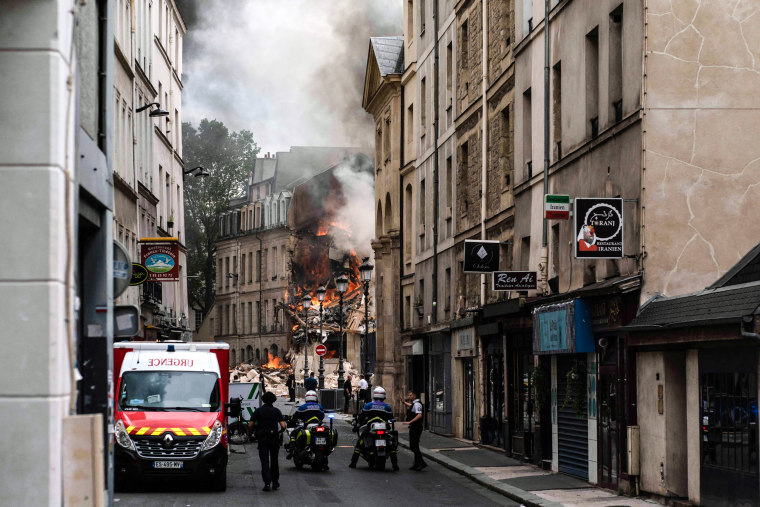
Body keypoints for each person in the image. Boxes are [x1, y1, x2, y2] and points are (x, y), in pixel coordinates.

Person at [349, 386, 398, 471]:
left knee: (360, 443)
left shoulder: (369, 405)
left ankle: (353, 462)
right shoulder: (387, 407)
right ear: (384, 396)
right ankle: (395, 465)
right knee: (391, 445)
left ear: (374, 395)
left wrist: (357, 425)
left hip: (371, 428)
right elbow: (391, 418)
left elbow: (361, 417)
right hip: (384, 428)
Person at [251, 391, 286, 491]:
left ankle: (267, 483)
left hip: (262, 439)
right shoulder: (276, 411)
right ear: (273, 400)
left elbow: (250, 424)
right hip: (274, 438)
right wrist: (280, 431)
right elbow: (283, 425)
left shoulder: (258, 411)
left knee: (264, 461)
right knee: (274, 460)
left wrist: (251, 434)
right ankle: (275, 482)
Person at [286, 390, 328, 466]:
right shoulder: (320, 407)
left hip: (308, 426)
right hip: (318, 426)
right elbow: (322, 416)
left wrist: (291, 419)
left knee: (293, 434)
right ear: (316, 398)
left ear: (306, 398)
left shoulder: (302, 407)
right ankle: (325, 460)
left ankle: (292, 450)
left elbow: (295, 416)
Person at [403, 390, 426, 470]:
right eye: (408, 395)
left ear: (415, 396)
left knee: (414, 446)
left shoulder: (417, 404)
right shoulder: (414, 404)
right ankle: (417, 463)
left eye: (410, 395)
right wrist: (404, 402)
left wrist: (410, 422)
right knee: (414, 445)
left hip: (416, 427)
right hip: (414, 427)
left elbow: (419, 415)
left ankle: (421, 463)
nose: (409, 397)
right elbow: (412, 406)